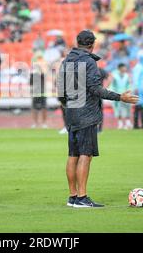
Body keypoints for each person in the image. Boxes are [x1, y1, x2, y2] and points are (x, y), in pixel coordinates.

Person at [58, 30, 138, 208]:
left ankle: (72, 197)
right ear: (92, 44)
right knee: (85, 155)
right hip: (86, 114)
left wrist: (67, 105)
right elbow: (96, 89)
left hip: (71, 112)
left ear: (77, 42)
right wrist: (120, 97)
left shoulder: (66, 61)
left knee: (73, 155)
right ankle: (82, 197)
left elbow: (60, 89)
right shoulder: (89, 62)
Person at [111, 63, 132, 130]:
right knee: (118, 109)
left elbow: (129, 85)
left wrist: (129, 92)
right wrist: (114, 93)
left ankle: (127, 123)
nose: (125, 69)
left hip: (126, 94)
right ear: (120, 68)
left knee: (127, 108)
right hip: (118, 95)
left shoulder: (127, 76)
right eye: (123, 67)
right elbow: (112, 85)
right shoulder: (115, 76)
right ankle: (120, 123)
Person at [132, 52, 143, 129]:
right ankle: (137, 124)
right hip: (139, 90)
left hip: (142, 90)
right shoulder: (138, 67)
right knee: (138, 107)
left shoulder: (142, 67)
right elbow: (136, 78)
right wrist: (136, 88)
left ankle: (142, 124)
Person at [30, 61, 47, 128]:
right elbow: (31, 83)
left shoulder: (42, 74)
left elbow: (44, 77)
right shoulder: (32, 75)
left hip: (42, 93)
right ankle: (35, 123)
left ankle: (44, 123)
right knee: (34, 109)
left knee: (44, 108)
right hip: (35, 93)